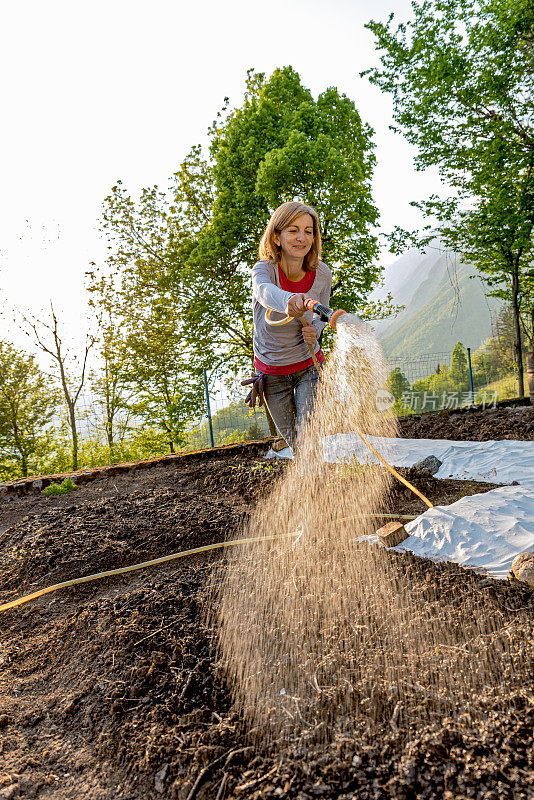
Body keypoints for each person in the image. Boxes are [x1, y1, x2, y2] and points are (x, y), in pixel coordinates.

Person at [243, 201, 332, 452]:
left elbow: (322, 315)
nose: (302, 237)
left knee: (309, 437)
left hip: (309, 367)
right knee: (295, 442)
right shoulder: (264, 270)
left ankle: (318, 487)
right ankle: (313, 482)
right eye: (293, 230)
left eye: (308, 230)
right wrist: (288, 301)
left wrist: (317, 330)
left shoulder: (322, 274)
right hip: (272, 374)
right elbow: (264, 292)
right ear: (277, 237)